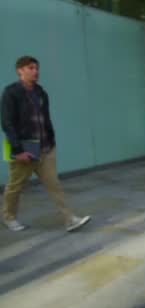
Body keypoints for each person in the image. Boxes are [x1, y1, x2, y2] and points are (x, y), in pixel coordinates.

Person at [1, 56, 91, 232]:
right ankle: (9, 217)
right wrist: (17, 149)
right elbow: (7, 123)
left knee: (54, 185)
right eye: (31, 68)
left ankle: (70, 219)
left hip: (45, 148)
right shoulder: (11, 92)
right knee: (14, 186)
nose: (36, 71)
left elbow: (44, 119)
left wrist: (51, 141)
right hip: (22, 148)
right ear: (20, 71)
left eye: (36, 68)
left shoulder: (41, 92)